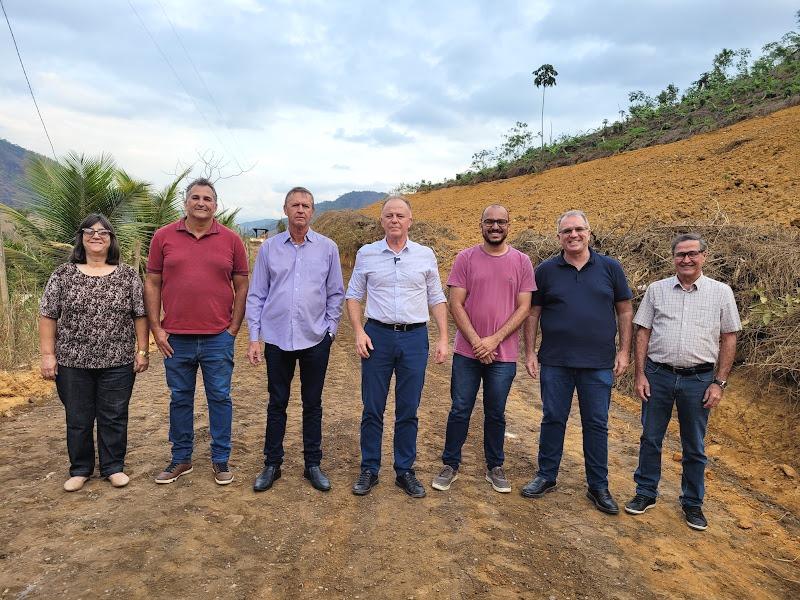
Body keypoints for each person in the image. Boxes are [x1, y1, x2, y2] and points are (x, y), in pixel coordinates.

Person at [625, 233, 740, 531]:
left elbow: (729, 337)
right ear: (672, 258)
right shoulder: (656, 290)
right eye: (680, 254)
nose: (686, 259)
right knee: (650, 437)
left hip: (699, 380)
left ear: (704, 255)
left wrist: (720, 383)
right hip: (658, 375)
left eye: (692, 253)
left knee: (694, 445)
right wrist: (640, 374)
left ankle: (692, 503)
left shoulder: (721, 292)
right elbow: (643, 332)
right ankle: (645, 493)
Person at [522, 209, 632, 514]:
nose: (573, 235)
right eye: (566, 231)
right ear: (558, 237)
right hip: (556, 361)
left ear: (589, 232)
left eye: (578, 229)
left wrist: (624, 351)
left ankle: (598, 486)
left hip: (598, 364)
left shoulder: (610, 268)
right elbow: (533, 313)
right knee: (553, 418)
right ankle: (546, 475)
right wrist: (529, 352)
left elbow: (624, 311)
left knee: (596, 424)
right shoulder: (545, 270)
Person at [144, 178, 249, 486]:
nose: (201, 202)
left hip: (218, 337)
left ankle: (220, 459)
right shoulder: (163, 237)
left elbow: (242, 285)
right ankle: (181, 459)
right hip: (175, 337)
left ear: (216, 205)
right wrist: (156, 328)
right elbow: (152, 282)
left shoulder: (231, 240)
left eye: (208, 198)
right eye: (195, 197)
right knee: (180, 398)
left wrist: (233, 328)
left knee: (220, 397)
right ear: (185, 202)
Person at [346, 195, 448, 498]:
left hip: (415, 338)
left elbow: (436, 297)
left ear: (410, 221)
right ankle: (369, 469)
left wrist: (443, 337)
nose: (394, 220)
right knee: (373, 407)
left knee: (408, 408)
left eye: (400, 216)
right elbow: (353, 296)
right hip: (377, 335)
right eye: (389, 215)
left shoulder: (425, 255)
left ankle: (404, 470)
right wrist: (358, 332)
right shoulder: (366, 254)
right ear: (382, 220)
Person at [39, 214, 149, 492]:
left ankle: (113, 467)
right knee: (78, 417)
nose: (96, 236)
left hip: (118, 360)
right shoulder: (62, 275)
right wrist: (48, 355)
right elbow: (48, 315)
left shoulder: (127, 276)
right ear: (81, 238)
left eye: (103, 232)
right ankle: (80, 469)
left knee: (114, 415)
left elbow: (140, 315)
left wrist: (142, 350)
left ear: (111, 239)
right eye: (89, 231)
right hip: (73, 361)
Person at [246, 187, 344, 492]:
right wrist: (254, 337)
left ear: (312, 211)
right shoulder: (269, 249)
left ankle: (312, 464)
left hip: (315, 338)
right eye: (295, 205)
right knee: (277, 402)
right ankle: (272, 464)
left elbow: (336, 292)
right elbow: (257, 293)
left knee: (312, 403)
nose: (300, 210)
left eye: (306, 205)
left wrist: (330, 331)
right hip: (276, 338)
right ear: (285, 210)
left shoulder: (328, 248)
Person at [432, 204, 535, 493]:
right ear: (481, 225)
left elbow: (524, 307)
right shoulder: (465, 258)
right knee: (460, 408)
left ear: (509, 226)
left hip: (503, 355)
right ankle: (450, 464)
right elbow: (455, 303)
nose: (495, 227)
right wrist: (478, 342)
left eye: (501, 222)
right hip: (467, 353)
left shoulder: (522, 261)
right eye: (489, 222)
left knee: (496, 412)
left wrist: (493, 340)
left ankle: (495, 466)